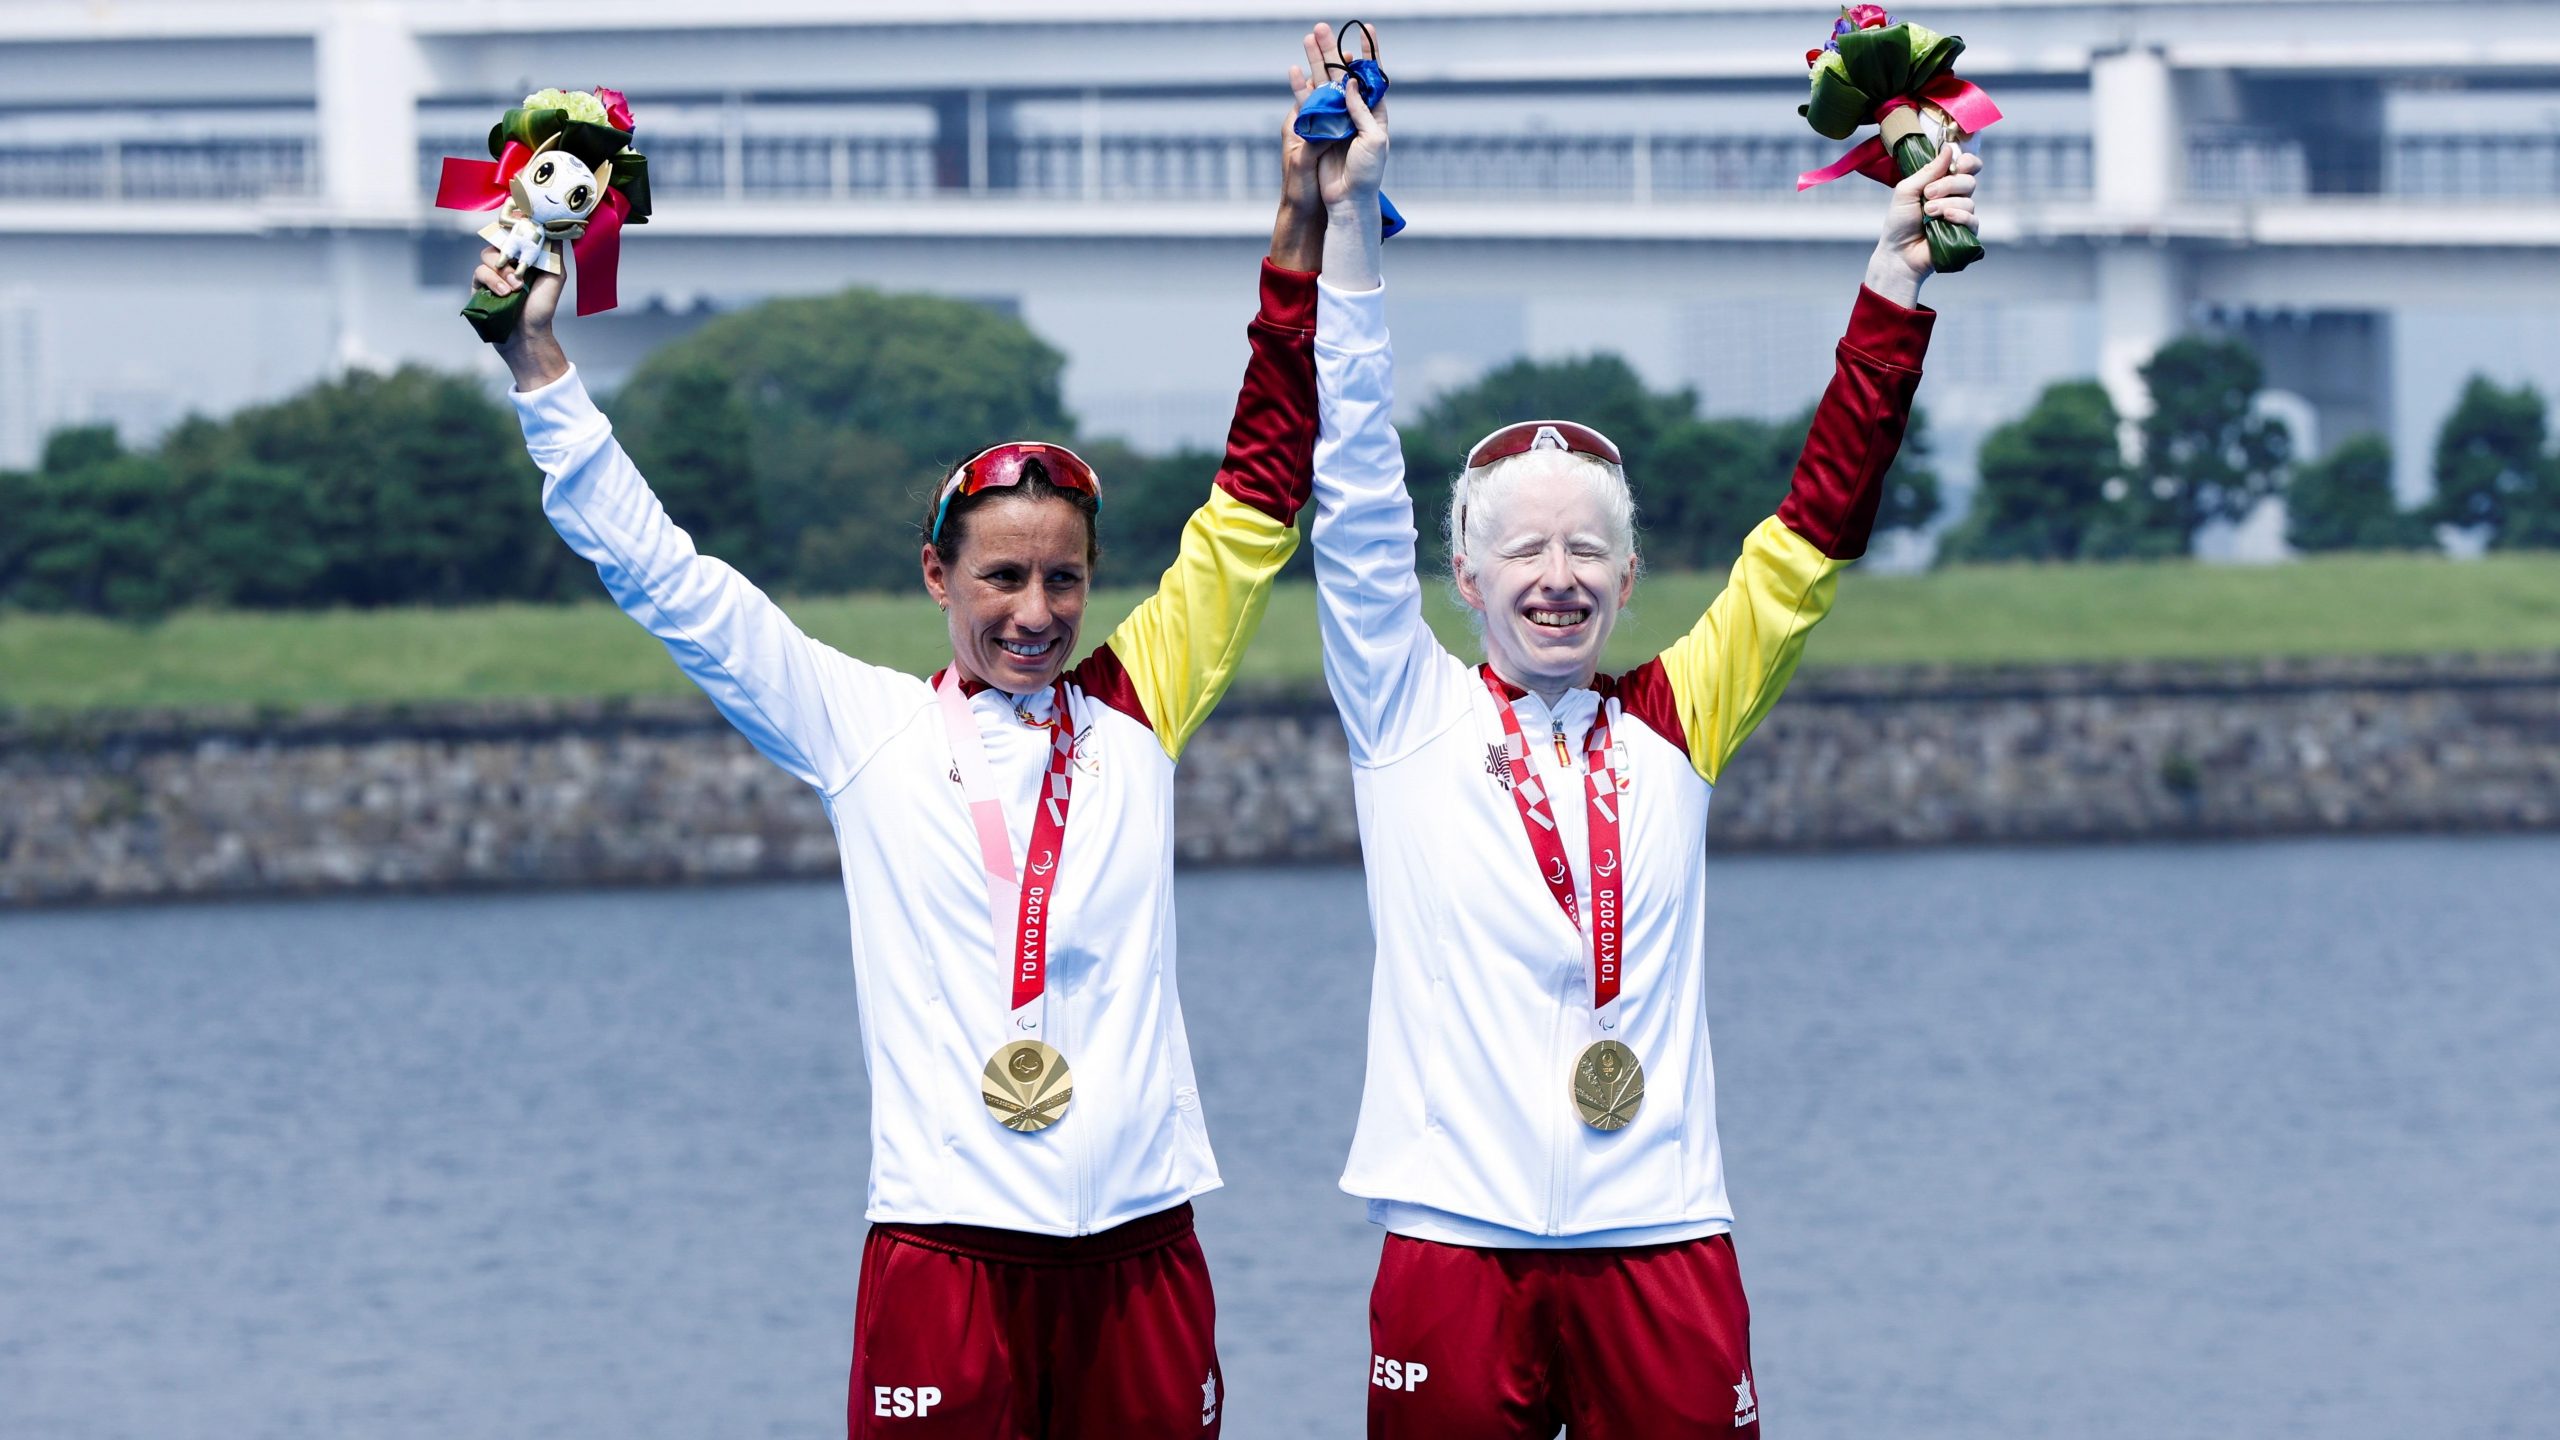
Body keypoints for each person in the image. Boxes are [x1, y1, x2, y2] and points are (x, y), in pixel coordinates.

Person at [474, 38, 1348, 1437]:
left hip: (1140, 1249)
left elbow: (1256, 496)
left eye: (1064, 578)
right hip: (943, 1252)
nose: (1036, 612)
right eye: (1002, 578)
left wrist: (1302, 227)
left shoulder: (1143, 699)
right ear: (937, 576)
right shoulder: (860, 725)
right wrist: (540, 368)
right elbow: (664, 574)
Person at [1302, 28, 1984, 1436]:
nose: (1556, 576)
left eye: (1586, 551)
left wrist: (1895, 283)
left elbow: (1818, 521)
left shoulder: (1684, 711)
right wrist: (1351, 219)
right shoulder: (1404, 707)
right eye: (1522, 551)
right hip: (1454, 1244)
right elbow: (1355, 484)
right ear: (1466, 580)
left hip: (1662, 1233)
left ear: (1627, 578)